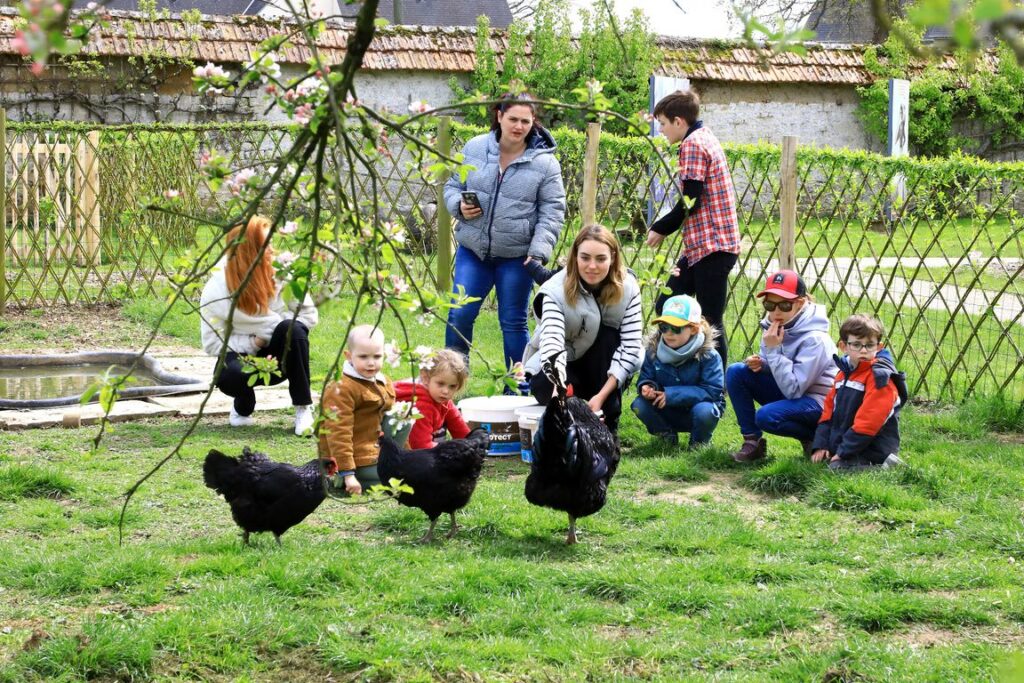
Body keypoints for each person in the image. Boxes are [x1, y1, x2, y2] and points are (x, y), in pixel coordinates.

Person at [444, 92, 567, 371]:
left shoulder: (545, 164)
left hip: (517, 256)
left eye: (526, 121)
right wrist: (458, 205)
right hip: (473, 251)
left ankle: (516, 390)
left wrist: (538, 252)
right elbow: (452, 186)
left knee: (512, 322)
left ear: (533, 122)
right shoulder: (474, 148)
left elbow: (553, 211)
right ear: (499, 116)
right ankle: (450, 383)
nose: (519, 126)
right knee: (459, 315)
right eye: (513, 119)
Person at [645, 89, 740, 371]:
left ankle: (716, 382)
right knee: (667, 303)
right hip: (702, 247)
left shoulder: (693, 145)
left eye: (662, 123)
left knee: (710, 319)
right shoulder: (703, 136)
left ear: (678, 121)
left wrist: (661, 228)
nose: (661, 130)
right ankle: (680, 364)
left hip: (714, 246)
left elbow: (691, 201)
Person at [199, 216, 318, 435]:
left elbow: (308, 316)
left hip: (280, 354)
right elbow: (212, 344)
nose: (272, 251)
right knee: (229, 375)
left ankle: (303, 407)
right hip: (244, 355)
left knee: (294, 329)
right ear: (246, 252)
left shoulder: (283, 273)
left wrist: (274, 331)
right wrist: (254, 342)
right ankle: (242, 406)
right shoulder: (217, 290)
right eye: (265, 246)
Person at [522, 225, 644, 433]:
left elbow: (631, 348)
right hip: (564, 364)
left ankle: (607, 416)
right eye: (585, 258)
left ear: (613, 258)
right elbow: (552, 345)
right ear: (575, 257)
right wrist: (557, 395)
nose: (592, 266)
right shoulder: (554, 290)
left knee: (608, 335)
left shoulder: (629, 288)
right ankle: (564, 416)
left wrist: (602, 397)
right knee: (548, 390)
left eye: (601, 259)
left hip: (602, 369)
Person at [726, 270, 837, 462]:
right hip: (794, 392)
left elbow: (794, 389)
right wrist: (762, 364)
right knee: (736, 371)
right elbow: (778, 367)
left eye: (785, 305)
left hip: (818, 402)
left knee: (766, 416)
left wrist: (773, 351)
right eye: (770, 304)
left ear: (800, 303)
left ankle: (814, 435)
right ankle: (752, 443)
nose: (776, 311)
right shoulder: (774, 326)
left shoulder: (816, 340)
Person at [811, 314, 908, 471]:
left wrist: (843, 451)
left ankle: (888, 467)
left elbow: (869, 423)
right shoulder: (843, 373)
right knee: (826, 463)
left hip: (873, 448)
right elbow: (828, 412)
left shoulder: (880, 378)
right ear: (844, 346)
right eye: (856, 345)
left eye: (869, 345)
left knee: (836, 469)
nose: (863, 351)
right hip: (850, 443)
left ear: (879, 346)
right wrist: (821, 444)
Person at [631, 295, 725, 449]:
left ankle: (698, 443)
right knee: (639, 405)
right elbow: (646, 377)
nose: (668, 333)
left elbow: (712, 391)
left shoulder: (709, 355)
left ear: (694, 329)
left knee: (705, 411)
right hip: (665, 408)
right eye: (664, 327)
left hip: (696, 409)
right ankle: (666, 436)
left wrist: (671, 395)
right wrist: (647, 387)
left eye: (676, 328)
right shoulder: (653, 351)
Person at [319, 325, 396, 496]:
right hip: (354, 458)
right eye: (363, 356)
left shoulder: (382, 381)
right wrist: (348, 473)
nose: (371, 363)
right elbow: (338, 433)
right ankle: (341, 477)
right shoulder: (341, 389)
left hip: (375, 449)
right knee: (395, 480)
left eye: (377, 356)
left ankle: (394, 464)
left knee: (401, 419)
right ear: (349, 356)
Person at [393, 349, 472, 450]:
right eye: (441, 384)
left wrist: (471, 445)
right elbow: (420, 447)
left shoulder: (441, 397)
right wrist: (449, 450)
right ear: (425, 378)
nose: (446, 391)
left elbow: (458, 426)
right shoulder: (421, 405)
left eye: (452, 386)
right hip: (395, 451)